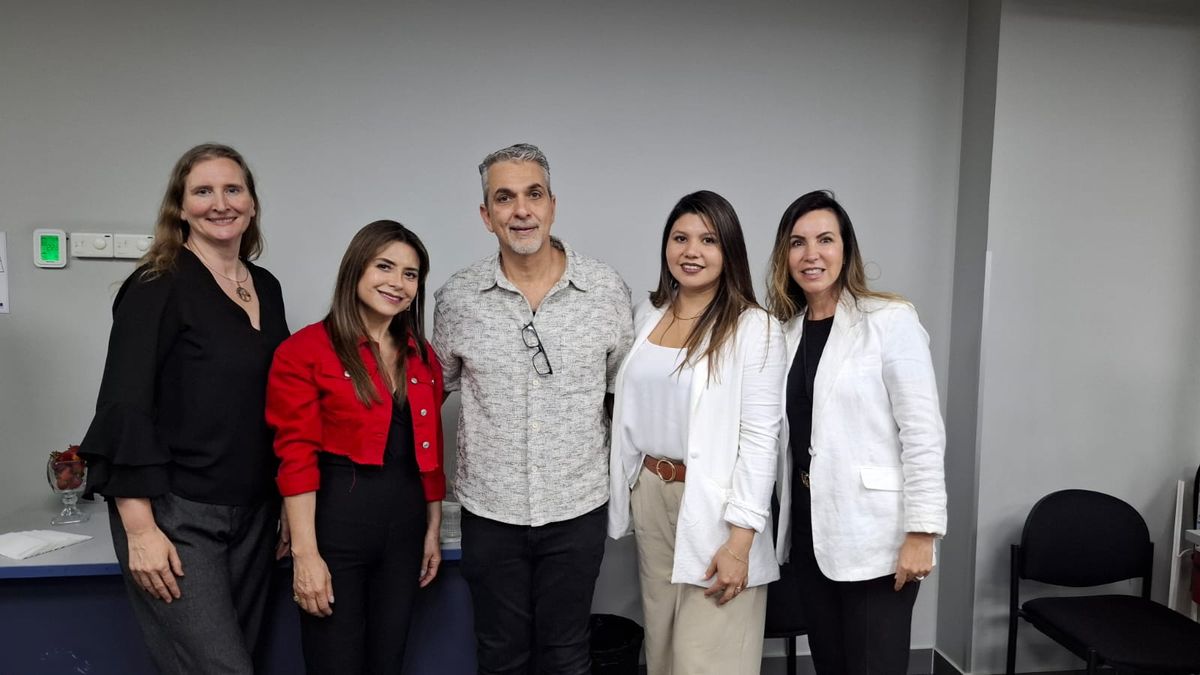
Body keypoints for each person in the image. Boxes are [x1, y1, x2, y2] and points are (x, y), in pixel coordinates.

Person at [79, 143, 290, 674]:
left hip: (254, 511)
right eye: (202, 191)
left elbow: (276, 402)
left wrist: (289, 502)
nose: (220, 203)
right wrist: (140, 530)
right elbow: (123, 405)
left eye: (232, 189)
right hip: (177, 515)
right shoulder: (157, 285)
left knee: (243, 658)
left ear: (252, 204)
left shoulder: (265, 286)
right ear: (180, 207)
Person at [433, 143, 634, 674]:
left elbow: (624, 395)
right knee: (500, 656)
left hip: (576, 509)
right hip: (489, 512)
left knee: (567, 655)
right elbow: (433, 390)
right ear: (486, 216)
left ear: (552, 205)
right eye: (505, 198)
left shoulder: (606, 291)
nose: (521, 209)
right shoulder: (457, 299)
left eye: (533, 194)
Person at [767, 190, 947, 674]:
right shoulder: (784, 334)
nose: (811, 254)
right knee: (830, 666)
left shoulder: (889, 321)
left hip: (878, 537)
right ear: (785, 255)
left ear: (846, 249)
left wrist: (922, 531)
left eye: (825, 239)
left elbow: (923, 433)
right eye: (798, 242)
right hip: (810, 535)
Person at [608, 190, 785, 675]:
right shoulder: (647, 315)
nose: (692, 251)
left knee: (709, 657)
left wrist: (740, 543)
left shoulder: (755, 328)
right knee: (662, 645)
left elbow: (760, 440)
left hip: (716, 504)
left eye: (708, 240)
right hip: (651, 490)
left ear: (729, 251)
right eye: (680, 237)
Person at [266, 220, 445, 674]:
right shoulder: (303, 350)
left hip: (404, 528)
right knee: (335, 663)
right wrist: (306, 555)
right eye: (385, 266)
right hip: (337, 526)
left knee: (389, 661)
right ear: (355, 270)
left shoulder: (422, 356)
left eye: (410, 274)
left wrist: (432, 526)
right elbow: (296, 455)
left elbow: (428, 450)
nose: (398, 283)